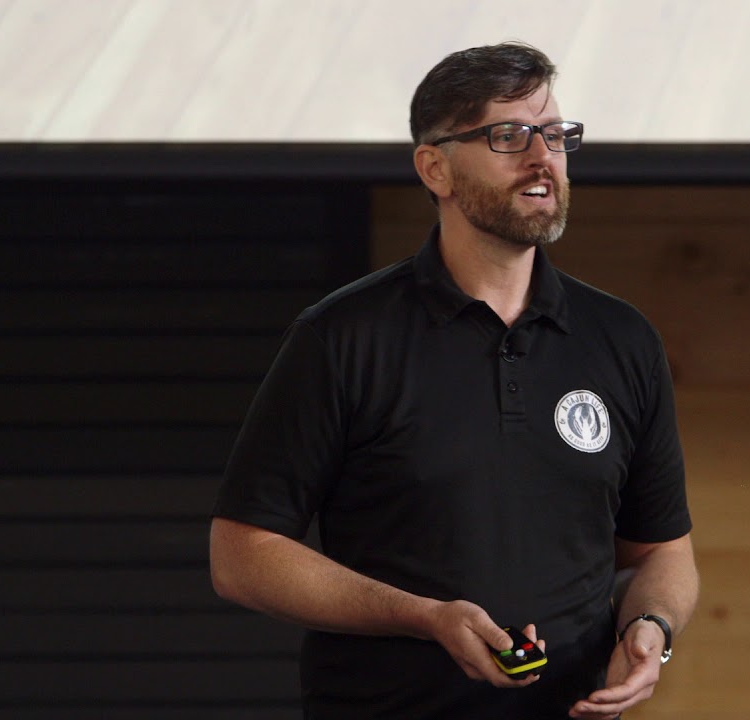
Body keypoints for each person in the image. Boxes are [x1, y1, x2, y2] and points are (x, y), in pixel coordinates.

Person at [210, 41, 698, 719]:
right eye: (509, 136)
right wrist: (424, 616)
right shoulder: (343, 337)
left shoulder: (621, 340)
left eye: (555, 135)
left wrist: (652, 628)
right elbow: (241, 555)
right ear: (434, 167)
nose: (541, 159)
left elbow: (661, 554)